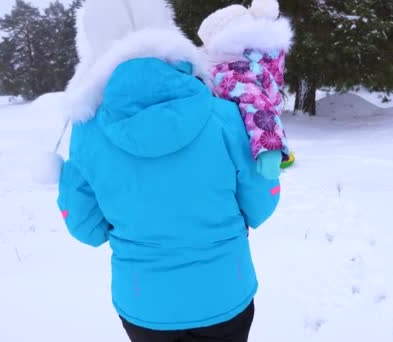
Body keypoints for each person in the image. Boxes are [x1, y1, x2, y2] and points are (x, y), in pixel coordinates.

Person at [55, 0, 280, 341]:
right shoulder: (222, 116)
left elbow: (87, 229)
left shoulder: (87, 134)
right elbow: (261, 205)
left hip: (144, 305)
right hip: (226, 295)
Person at [198, 0, 294, 180]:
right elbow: (257, 104)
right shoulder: (233, 71)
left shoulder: (228, 71)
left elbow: (256, 104)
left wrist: (270, 147)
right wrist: (269, 148)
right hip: (238, 152)